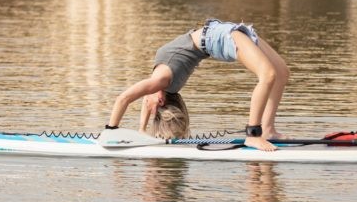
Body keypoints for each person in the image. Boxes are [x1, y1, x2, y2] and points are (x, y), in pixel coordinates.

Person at [105, 19, 289, 153]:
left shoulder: (159, 82)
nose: (146, 103)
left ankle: (265, 130)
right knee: (269, 75)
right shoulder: (161, 82)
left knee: (281, 73)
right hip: (222, 34)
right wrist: (141, 130)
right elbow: (146, 98)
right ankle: (254, 135)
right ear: (161, 100)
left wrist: (112, 130)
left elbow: (124, 98)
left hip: (220, 33)